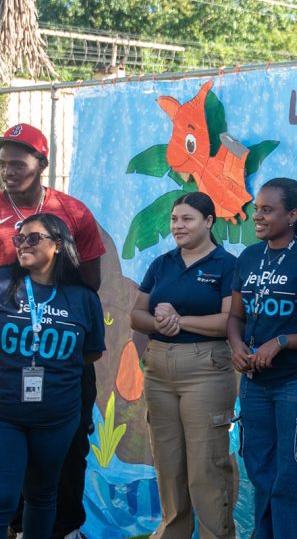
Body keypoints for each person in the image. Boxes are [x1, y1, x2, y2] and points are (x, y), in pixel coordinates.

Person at [0, 123, 105, 539]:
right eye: (3, 162)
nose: (8, 169)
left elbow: (90, 280)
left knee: (70, 449)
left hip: (61, 355)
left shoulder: (73, 211)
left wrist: (52, 320)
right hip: (9, 360)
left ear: (41, 164)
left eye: (18, 161)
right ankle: (14, 525)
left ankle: (66, 529)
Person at [227, 177, 297, 538]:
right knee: (261, 473)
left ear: (292, 215)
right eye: (256, 209)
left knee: (293, 478)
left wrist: (282, 342)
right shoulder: (249, 257)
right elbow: (235, 317)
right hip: (254, 386)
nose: (257, 216)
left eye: (267, 210)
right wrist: (237, 346)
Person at [130, 192, 237, 539]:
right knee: (168, 463)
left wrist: (181, 319)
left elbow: (229, 322)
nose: (178, 226)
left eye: (187, 219)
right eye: (175, 219)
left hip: (206, 368)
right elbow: (136, 314)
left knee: (206, 467)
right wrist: (160, 323)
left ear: (209, 221)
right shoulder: (162, 263)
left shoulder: (226, 264)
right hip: (159, 370)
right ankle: (173, 531)